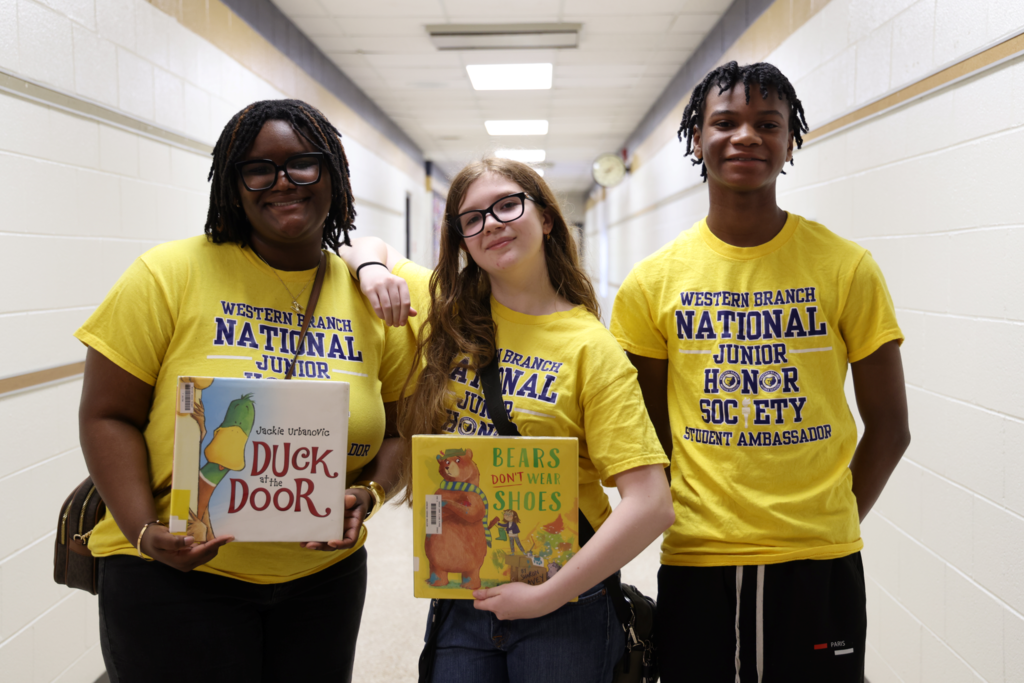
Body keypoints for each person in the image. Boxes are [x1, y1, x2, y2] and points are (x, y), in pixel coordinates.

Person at [75, 99, 414, 683]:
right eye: (258, 169)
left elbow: (403, 427)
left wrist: (370, 495)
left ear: (333, 175)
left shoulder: (373, 298)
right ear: (233, 186)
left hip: (322, 582)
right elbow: (107, 416)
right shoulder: (167, 275)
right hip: (173, 577)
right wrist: (144, 533)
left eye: (302, 164)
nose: (282, 182)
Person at [609, 62, 911, 682]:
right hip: (700, 556)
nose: (746, 135)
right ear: (697, 139)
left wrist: (831, 517)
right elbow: (649, 441)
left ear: (789, 140)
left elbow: (890, 427)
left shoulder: (846, 267)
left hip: (820, 557)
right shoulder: (651, 284)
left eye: (767, 123)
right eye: (725, 122)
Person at [340, 157, 674, 683]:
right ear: (462, 240)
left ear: (545, 217)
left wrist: (545, 597)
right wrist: (373, 271)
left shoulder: (590, 348)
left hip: (566, 601)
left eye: (506, 205)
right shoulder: (443, 312)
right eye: (471, 219)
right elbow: (361, 244)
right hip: (462, 593)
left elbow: (651, 504)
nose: (490, 223)